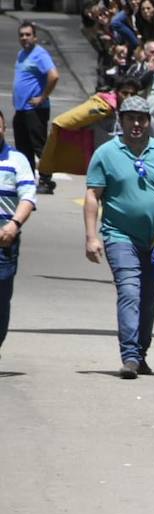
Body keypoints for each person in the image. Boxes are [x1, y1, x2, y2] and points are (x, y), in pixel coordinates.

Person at [83, 95, 154, 379]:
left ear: (149, 121)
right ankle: (129, 356)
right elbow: (93, 195)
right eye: (130, 118)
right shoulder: (106, 153)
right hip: (119, 236)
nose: (137, 124)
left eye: (142, 119)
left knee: (149, 299)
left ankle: (141, 353)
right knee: (129, 291)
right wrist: (92, 237)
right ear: (121, 120)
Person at [0, 109, 37, 361]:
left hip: (4, 239)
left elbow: (28, 197)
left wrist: (14, 224)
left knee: (1, 301)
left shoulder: (17, 160)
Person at [13, 20, 59, 195]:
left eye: (28, 34)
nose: (24, 38)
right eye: (22, 35)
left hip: (35, 110)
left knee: (39, 146)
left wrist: (42, 97)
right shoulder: (21, 54)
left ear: (35, 37)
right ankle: (27, 180)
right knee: (23, 148)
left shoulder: (40, 54)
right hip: (22, 109)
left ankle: (46, 181)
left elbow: (54, 76)